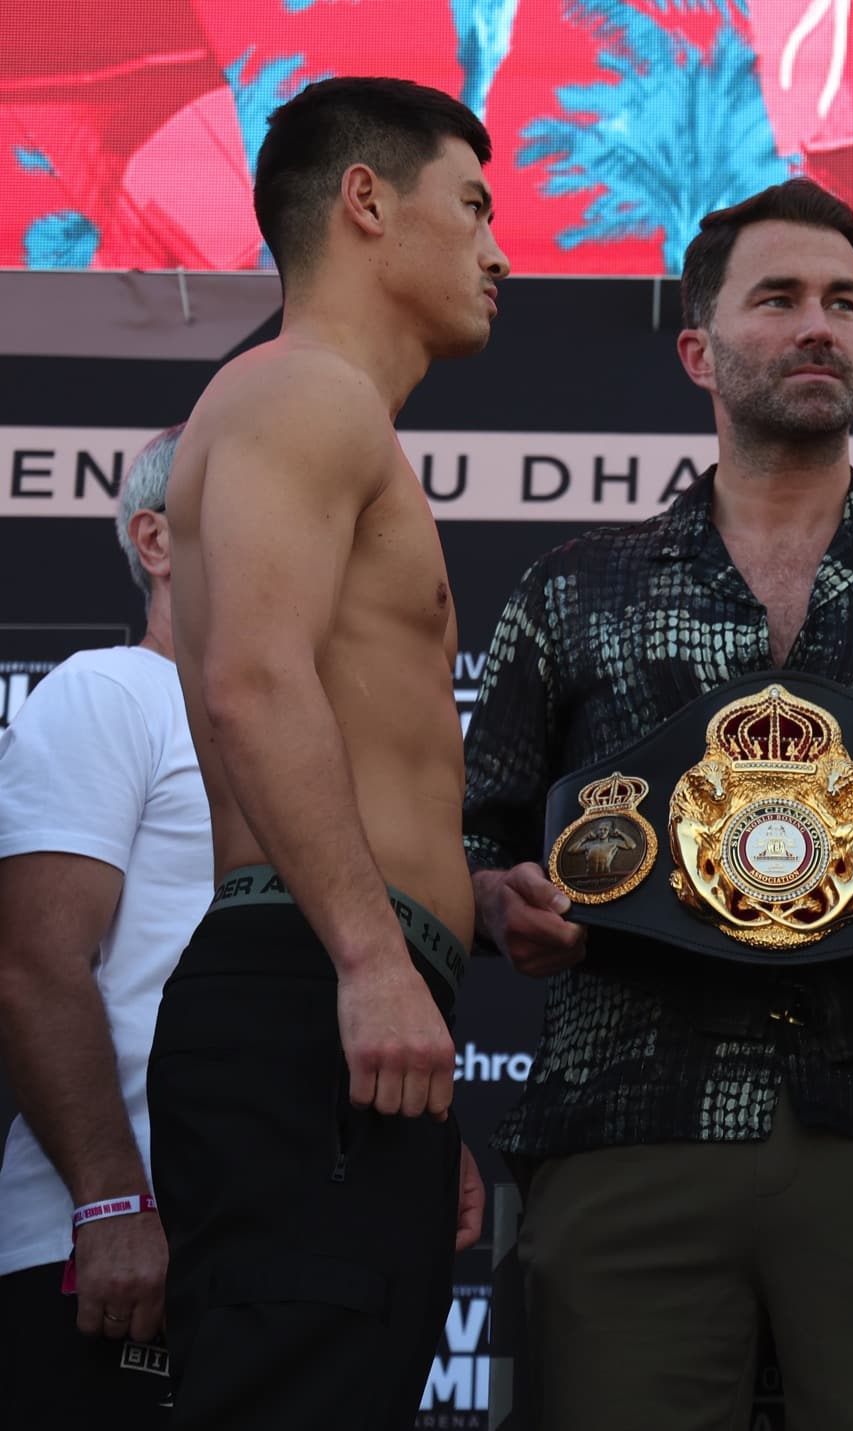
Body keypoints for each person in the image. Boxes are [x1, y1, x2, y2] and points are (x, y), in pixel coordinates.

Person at [463, 177, 853, 1430]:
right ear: (699, 349)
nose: (818, 328)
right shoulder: (574, 590)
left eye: (845, 303)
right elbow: (473, 834)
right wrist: (495, 897)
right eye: (779, 299)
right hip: (632, 1121)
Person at [145, 76, 508, 1428]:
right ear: (367, 200)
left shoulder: (319, 409)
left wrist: (451, 925)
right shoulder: (303, 391)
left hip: (340, 1019)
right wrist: (366, 961)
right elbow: (249, 678)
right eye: (470, 205)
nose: (498, 248)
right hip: (311, 988)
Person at [0, 427, 211, 1428]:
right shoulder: (109, 690)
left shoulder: (296, 736)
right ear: (156, 543)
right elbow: (36, 964)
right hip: (104, 1249)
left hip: (252, 1247)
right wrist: (111, 1200)